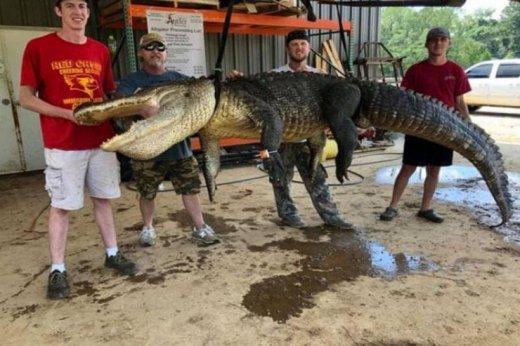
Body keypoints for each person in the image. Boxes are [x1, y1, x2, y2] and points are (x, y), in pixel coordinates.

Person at [18, 0, 136, 300]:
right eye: (70, 5)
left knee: (104, 200)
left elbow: (108, 94)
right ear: (58, 11)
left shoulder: (99, 50)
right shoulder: (38, 47)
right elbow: (26, 99)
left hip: (100, 141)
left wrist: (134, 106)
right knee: (61, 206)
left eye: (83, 5)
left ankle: (112, 253)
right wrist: (67, 114)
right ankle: (57, 269)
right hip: (63, 142)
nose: (78, 11)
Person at [229, 30, 354, 230]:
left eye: (303, 44)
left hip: (309, 139)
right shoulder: (275, 75)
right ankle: (288, 215)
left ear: (308, 48)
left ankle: (332, 216)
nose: (299, 48)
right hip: (281, 140)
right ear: (287, 49)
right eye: (294, 44)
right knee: (279, 179)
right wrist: (240, 80)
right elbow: (254, 94)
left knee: (317, 180)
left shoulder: (320, 77)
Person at [115, 32, 219, 247]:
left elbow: (202, 99)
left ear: (166, 53)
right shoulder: (132, 80)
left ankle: (200, 227)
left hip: (180, 149)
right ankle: (148, 228)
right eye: (150, 47)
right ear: (141, 53)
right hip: (148, 150)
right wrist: (140, 107)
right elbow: (119, 104)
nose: (155, 51)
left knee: (190, 188)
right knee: (147, 192)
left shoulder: (180, 79)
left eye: (160, 47)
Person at [379, 27, 471, 223]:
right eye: (434, 40)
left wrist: (469, 126)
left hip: (445, 129)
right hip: (419, 128)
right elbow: (405, 100)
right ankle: (392, 206)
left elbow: (459, 102)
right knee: (408, 167)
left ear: (449, 43)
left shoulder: (456, 71)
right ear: (427, 44)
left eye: (442, 39)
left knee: (434, 169)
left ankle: (425, 208)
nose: (438, 43)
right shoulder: (416, 70)